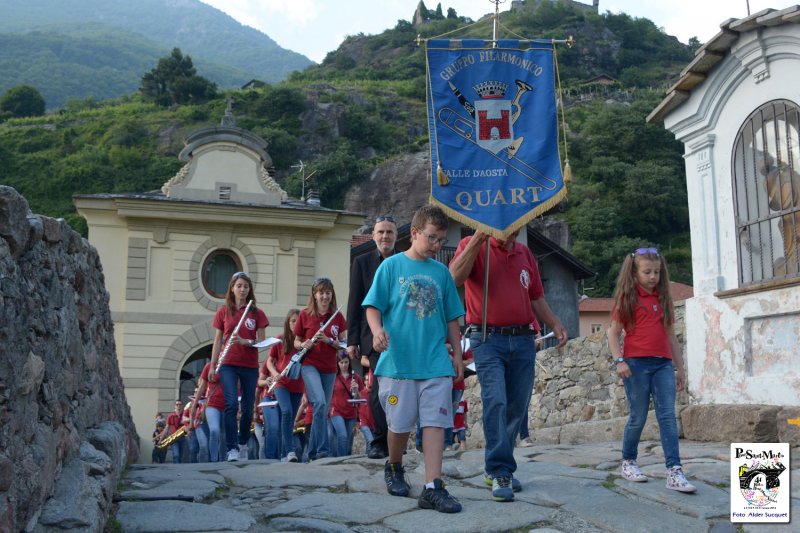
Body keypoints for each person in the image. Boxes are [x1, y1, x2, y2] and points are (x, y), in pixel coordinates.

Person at [449, 229, 567, 502]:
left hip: (523, 339)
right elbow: (453, 278)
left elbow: (536, 297)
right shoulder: (471, 244)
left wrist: (554, 323)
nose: (511, 231)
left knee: (516, 405)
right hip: (487, 339)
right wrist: (479, 238)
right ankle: (501, 469)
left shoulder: (525, 253)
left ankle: (497, 464)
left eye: (516, 225)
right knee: (496, 401)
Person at [364, 204, 465, 513]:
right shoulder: (391, 267)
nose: (436, 246)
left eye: (441, 240)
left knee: (436, 421)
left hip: (435, 360)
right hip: (398, 362)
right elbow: (372, 305)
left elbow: (452, 318)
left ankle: (433, 486)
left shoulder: (441, 273)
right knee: (400, 424)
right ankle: (394, 465)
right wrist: (377, 330)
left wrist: (457, 356)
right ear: (416, 233)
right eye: (432, 238)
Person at [608, 247, 696, 493]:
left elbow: (671, 337)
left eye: (657, 272)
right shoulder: (627, 299)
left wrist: (680, 368)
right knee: (638, 416)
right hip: (636, 365)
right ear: (634, 273)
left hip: (663, 365)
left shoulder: (663, 299)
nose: (653, 276)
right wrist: (619, 361)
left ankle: (674, 471)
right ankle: (628, 462)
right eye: (647, 272)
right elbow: (613, 333)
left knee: (667, 416)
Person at [347, 214, 398, 459]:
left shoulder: (404, 261)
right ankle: (380, 440)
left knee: (400, 391)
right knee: (379, 390)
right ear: (373, 235)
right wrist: (352, 341)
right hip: (374, 338)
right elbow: (354, 301)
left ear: (396, 236)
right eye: (380, 232)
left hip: (402, 336)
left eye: (389, 232)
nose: (385, 236)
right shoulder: (362, 262)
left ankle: (397, 437)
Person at [208, 272, 268, 462]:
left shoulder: (257, 313)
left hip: (249, 365)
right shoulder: (224, 311)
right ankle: (231, 448)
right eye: (239, 286)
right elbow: (217, 341)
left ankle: (242, 443)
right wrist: (212, 365)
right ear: (232, 288)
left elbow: (261, 341)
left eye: (246, 286)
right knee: (232, 404)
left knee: (248, 408)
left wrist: (244, 341)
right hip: (228, 364)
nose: (243, 289)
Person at [293, 277, 347, 461]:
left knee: (321, 410)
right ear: (314, 295)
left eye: (328, 292)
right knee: (320, 403)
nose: (325, 296)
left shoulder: (337, 316)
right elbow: (296, 341)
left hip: (329, 368)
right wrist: (304, 344)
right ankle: (322, 449)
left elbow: (344, 344)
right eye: (321, 292)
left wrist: (330, 341)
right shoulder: (305, 315)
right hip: (309, 365)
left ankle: (312, 452)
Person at [264, 309, 304, 462]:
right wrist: (275, 374)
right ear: (288, 323)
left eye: (298, 321)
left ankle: (283, 455)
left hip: (298, 384)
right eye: (293, 321)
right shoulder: (280, 340)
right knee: (286, 412)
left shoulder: (304, 343)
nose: (296, 323)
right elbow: (269, 361)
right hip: (281, 383)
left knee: (289, 418)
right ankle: (289, 451)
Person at [329, 352, 365, 456]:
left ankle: (342, 459)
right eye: (341, 362)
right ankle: (342, 461)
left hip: (351, 412)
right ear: (337, 363)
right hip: (336, 411)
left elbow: (361, 399)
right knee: (342, 436)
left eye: (346, 362)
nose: (344, 365)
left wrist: (357, 390)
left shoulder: (356, 377)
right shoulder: (333, 377)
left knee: (349, 439)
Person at [191, 360, 225, 462]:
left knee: (224, 436)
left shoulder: (231, 365)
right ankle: (214, 461)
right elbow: (201, 386)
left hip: (227, 405)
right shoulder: (209, 366)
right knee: (214, 431)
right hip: (212, 404)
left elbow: (237, 385)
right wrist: (194, 405)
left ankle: (223, 460)